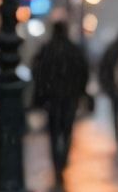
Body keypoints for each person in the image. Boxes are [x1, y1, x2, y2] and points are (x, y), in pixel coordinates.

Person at [30, 20, 90, 183]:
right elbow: (83, 71)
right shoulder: (73, 50)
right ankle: (62, 160)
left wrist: (41, 94)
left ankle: (58, 163)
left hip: (52, 98)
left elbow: (37, 72)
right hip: (69, 97)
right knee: (67, 130)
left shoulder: (47, 50)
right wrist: (80, 91)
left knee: (54, 131)